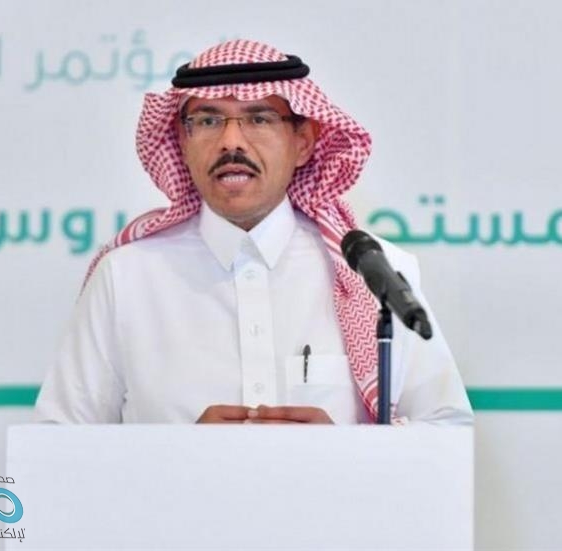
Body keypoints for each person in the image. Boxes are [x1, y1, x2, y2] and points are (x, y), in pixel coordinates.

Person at [34, 40, 473, 425]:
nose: (231, 142)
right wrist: (179, 453)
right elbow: (58, 444)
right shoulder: (125, 276)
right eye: (208, 121)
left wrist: (342, 451)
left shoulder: (376, 276)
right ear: (182, 142)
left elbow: (446, 430)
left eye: (259, 119)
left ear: (303, 142)